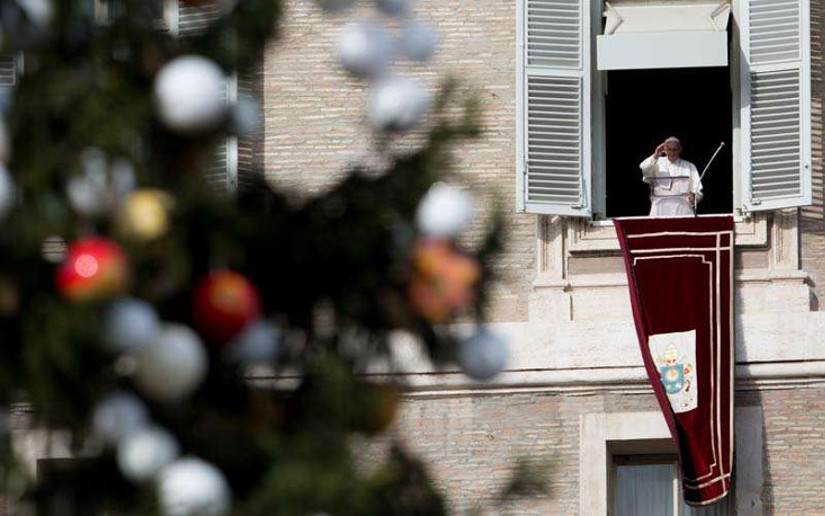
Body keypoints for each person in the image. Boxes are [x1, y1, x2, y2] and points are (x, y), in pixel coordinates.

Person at [639, 136, 703, 217]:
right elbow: (644, 168)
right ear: (665, 150)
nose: (672, 153)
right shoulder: (656, 163)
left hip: (682, 209)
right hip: (659, 210)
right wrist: (655, 155)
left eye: (675, 150)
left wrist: (695, 198)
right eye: (669, 149)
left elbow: (698, 191)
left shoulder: (690, 166)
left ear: (680, 150)